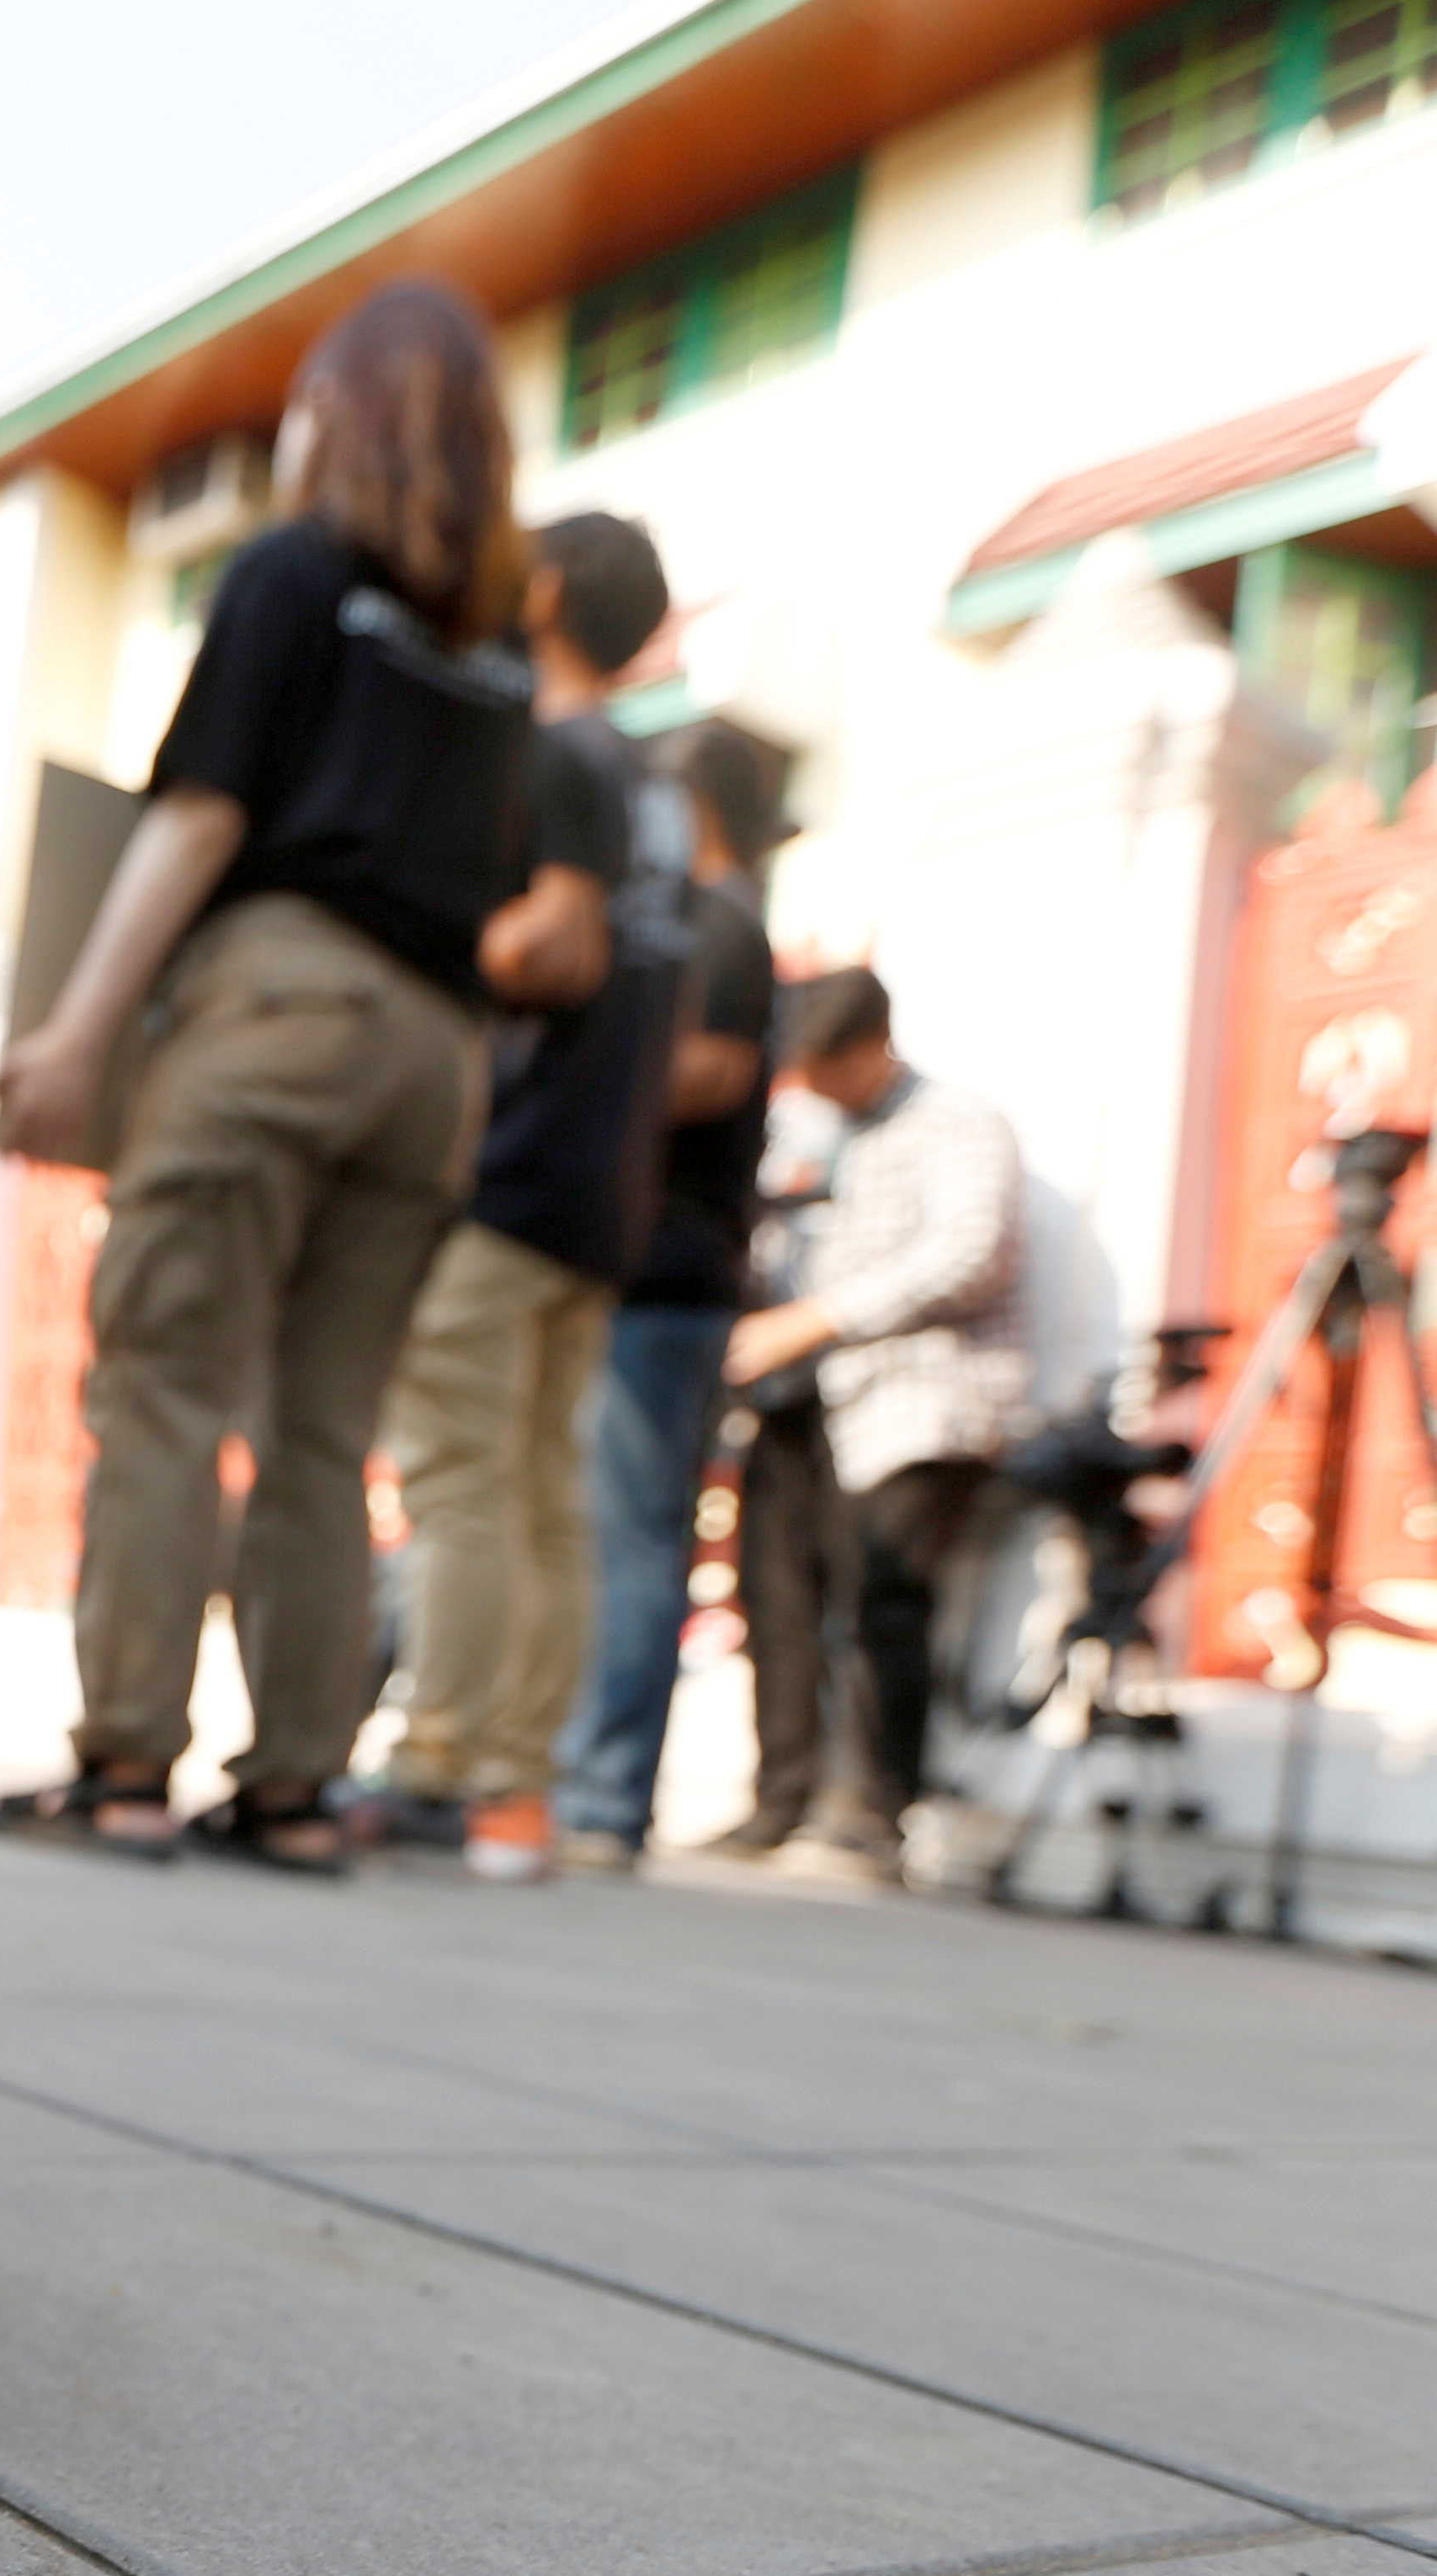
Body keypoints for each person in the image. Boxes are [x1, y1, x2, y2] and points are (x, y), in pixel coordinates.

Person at [0, 280, 538, 1873]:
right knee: (320, 1425)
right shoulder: (495, 646)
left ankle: (121, 1769)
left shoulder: (287, 574)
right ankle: (294, 1790)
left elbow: (200, 811)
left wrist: (77, 1030)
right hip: (433, 1057)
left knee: (159, 1384)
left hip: (279, 998)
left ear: (331, 417)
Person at [362, 511, 676, 1883]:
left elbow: (550, 938)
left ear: (540, 590)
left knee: (457, 1476)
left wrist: (425, 947)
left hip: (511, 1168)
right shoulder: (648, 788)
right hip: (602, 1192)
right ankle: (514, 1790)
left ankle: (435, 1759)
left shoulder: (553, 750)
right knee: (544, 1491)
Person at [719, 969, 1025, 1880]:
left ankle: (871, 1813)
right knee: (774, 1601)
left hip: (909, 1399)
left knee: (880, 1602)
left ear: (874, 1045)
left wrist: (819, 1318)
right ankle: (779, 1800)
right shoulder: (807, 1133)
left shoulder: (957, 1123)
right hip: (790, 1401)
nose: (812, 1082)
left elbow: (973, 1252)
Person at [552, 723, 784, 1868]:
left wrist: (591, 1086)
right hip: (636, 1268)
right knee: (599, 1526)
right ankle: (573, 1779)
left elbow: (715, 1068)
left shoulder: (719, 919)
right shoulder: (698, 915)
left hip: (673, 1272)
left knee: (635, 1536)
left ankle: (600, 1795)